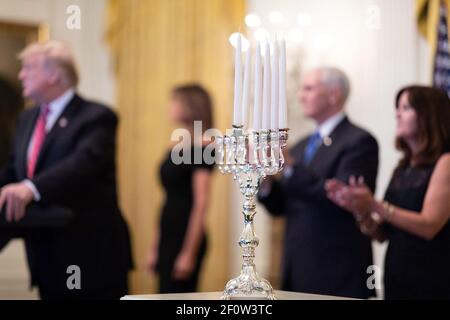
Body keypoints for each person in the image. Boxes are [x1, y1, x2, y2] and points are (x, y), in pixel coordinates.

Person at [0, 41, 133, 299]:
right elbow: (14, 170)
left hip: (91, 255)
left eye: (28, 67)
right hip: (45, 255)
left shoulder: (96, 116)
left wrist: (30, 188)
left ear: (53, 74)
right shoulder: (27, 119)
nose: (20, 74)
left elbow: (83, 164)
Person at [258, 67, 379, 298]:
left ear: (333, 94)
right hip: (297, 267)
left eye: (309, 88)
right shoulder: (301, 145)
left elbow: (342, 199)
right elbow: (281, 207)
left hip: (337, 270)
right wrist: (265, 181)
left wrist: (291, 167)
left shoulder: (359, 141)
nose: (301, 96)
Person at [326, 85, 450, 299]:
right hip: (398, 275)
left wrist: (373, 204)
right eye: (397, 108)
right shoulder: (403, 167)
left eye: (406, 107)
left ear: (429, 114)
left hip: (433, 276)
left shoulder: (446, 162)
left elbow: (429, 225)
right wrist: (361, 210)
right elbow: (383, 234)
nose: (397, 114)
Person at [146, 84, 214, 293]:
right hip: (168, 229)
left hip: (187, 233)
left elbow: (201, 203)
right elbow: (168, 198)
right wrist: (155, 247)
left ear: (191, 106)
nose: (170, 106)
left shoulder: (203, 146)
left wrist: (188, 253)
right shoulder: (174, 146)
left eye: (175, 101)